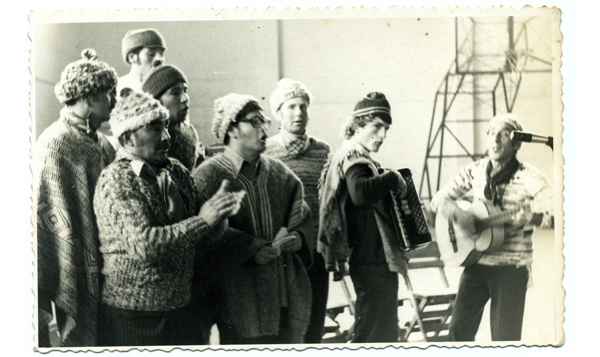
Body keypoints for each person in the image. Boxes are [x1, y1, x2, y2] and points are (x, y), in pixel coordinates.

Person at [93, 91, 239, 346]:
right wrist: (204, 220)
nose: (166, 137)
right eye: (154, 129)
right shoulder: (116, 178)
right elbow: (144, 245)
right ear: (128, 138)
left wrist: (219, 215)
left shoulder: (177, 170)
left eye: (166, 127)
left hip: (182, 309)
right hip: (135, 316)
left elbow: (200, 235)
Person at [192, 93, 314, 344]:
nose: (263, 129)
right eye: (255, 121)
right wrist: (249, 249)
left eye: (264, 122)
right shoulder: (207, 177)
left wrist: (298, 238)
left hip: (280, 299)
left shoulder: (281, 174)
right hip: (236, 305)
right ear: (232, 129)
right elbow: (200, 236)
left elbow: (302, 215)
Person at [429, 113, 553, 341]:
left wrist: (531, 218)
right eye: (491, 134)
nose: (495, 140)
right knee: (457, 333)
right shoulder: (475, 170)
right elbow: (439, 200)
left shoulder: (531, 178)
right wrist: (459, 215)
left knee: (504, 339)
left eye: (503, 135)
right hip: (476, 262)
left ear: (516, 144)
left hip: (511, 269)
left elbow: (556, 216)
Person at [34, 49, 118, 347]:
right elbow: (47, 217)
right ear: (88, 96)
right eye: (109, 93)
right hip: (75, 262)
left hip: (111, 265)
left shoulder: (106, 144)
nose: (114, 100)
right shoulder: (54, 144)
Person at [318, 92, 408, 343]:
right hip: (372, 260)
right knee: (375, 334)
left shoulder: (353, 155)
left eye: (386, 129)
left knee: (376, 330)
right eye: (376, 127)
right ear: (358, 126)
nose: (382, 136)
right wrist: (392, 177)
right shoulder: (354, 157)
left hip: (369, 259)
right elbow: (359, 194)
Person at [264, 78, 331, 343]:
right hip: (282, 255)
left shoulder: (322, 151)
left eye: (303, 106)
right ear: (278, 113)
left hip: (316, 254)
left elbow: (330, 203)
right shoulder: (267, 151)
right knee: (286, 329)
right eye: (291, 106)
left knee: (314, 327)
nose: (298, 112)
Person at [141, 64, 203, 171]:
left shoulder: (190, 133)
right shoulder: (145, 137)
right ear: (155, 101)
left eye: (185, 90)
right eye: (175, 93)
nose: (185, 99)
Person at [117, 28, 166, 97]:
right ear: (132, 57)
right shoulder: (117, 88)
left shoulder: (168, 89)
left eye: (161, 54)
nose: (159, 59)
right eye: (151, 54)